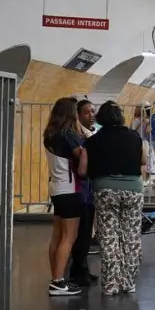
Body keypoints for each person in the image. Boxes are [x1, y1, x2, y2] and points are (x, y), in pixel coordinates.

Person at [84, 101, 148, 296]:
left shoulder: (94, 140)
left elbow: (86, 167)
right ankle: (128, 282)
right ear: (120, 117)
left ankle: (111, 284)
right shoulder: (134, 136)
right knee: (130, 236)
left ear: (100, 118)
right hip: (132, 190)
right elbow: (143, 161)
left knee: (109, 236)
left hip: (105, 190)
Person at [43, 97, 88, 297]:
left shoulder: (50, 134)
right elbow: (81, 154)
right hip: (69, 188)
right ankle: (58, 282)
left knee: (57, 235)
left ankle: (56, 277)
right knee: (69, 237)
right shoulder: (68, 134)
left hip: (56, 187)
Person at [67, 99, 99, 287]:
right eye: (87, 112)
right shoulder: (75, 136)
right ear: (78, 115)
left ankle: (83, 268)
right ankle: (77, 270)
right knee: (81, 231)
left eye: (93, 111)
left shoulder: (85, 135)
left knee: (86, 232)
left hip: (87, 188)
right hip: (79, 188)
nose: (92, 115)